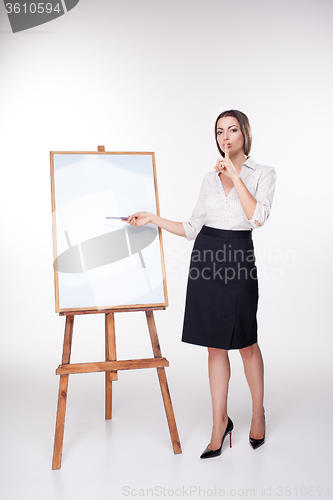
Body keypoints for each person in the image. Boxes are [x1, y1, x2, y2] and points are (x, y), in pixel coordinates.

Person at [126, 109, 276, 458]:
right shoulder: (208, 180)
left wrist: (235, 175)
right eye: (220, 131)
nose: (226, 137)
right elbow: (193, 227)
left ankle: (257, 413)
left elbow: (258, 217)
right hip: (206, 256)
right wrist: (153, 218)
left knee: (246, 342)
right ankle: (219, 423)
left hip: (238, 258)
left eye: (233, 130)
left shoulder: (263, 173)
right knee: (214, 345)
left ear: (245, 134)